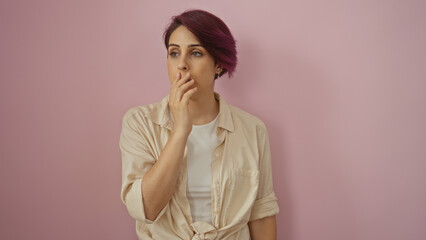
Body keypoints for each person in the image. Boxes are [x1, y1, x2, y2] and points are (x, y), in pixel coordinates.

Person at [119, 9, 279, 240]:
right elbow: (146, 209)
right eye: (174, 53)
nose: (181, 65)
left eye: (195, 53)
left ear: (219, 65)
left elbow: (262, 214)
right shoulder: (139, 123)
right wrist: (181, 130)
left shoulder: (252, 129)